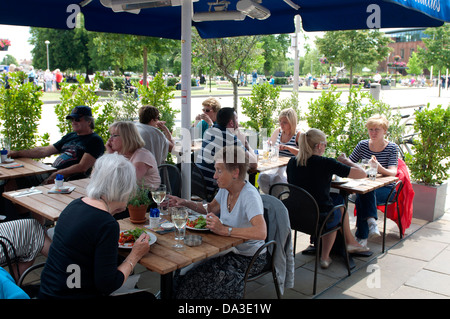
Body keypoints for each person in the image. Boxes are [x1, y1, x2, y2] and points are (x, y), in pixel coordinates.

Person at [39, 153, 153, 299]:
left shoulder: (75, 205)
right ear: (124, 188)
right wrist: (135, 255)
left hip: (49, 291)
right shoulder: (107, 224)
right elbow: (108, 284)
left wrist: (112, 210)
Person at [169, 145, 267, 299]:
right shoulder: (225, 188)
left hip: (249, 257)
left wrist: (225, 230)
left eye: (219, 170)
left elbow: (261, 232)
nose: (215, 176)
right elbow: (211, 208)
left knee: (200, 279)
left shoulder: (249, 196)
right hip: (228, 250)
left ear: (235, 173)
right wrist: (185, 202)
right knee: (185, 272)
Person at [286, 128, 369, 268]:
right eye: (324, 144)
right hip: (320, 217)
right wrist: (346, 161)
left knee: (334, 201)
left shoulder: (292, 162)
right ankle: (326, 256)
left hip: (296, 216)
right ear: (319, 145)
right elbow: (362, 174)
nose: (325, 146)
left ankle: (347, 244)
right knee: (338, 205)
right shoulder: (326, 163)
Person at [8, 105, 105, 184]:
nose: (73, 122)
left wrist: (58, 174)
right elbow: (44, 151)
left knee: (17, 182)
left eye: (77, 119)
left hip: (67, 179)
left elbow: (82, 167)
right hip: (52, 172)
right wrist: (17, 154)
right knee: (13, 178)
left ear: (89, 121)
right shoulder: (71, 136)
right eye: (72, 119)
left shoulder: (95, 140)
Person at [348, 114, 398, 247]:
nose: (373, 132)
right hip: (367, 185)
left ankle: (362, 237)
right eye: (371, 129)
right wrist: (344, 161)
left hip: (386, 189)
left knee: (362, 195)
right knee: (365, 191)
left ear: (385, 131)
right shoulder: (363, 145)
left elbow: (393, 172)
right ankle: (371, 222)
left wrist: (379, 167)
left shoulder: (392, 147)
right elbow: (350, 162)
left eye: (377, 129)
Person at [196, 107, 257, 197]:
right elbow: (254, 164)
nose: (238, 122)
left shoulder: (209, 131)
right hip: (213, 187)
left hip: (198, 183)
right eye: (236, 119)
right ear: (231, 122)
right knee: (243, 182)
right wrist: (246, 145)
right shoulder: (231, 139)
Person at [257, 108, 301, 194]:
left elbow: (303, 153)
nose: (281, 124)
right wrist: (268, 144)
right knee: (262, 177)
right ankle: (272, 198)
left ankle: (275, 202)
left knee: (277, 181)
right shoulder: (278, 131)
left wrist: (288, 147)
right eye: (280, 121)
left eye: (284, 122)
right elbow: (270, 145)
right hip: (276, 164)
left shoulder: (298, 135)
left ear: (292, 122)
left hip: (289, 167)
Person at [106, 121, 160, 189]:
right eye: (110, 135)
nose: (110, 139)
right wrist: (110, 156)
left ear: (126, 138)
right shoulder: (119, 155)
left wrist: (111, 156)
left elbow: (126, 182)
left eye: (114, 135)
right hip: (127, 196)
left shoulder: (142, 155)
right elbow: (98, 176)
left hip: (147, 197)